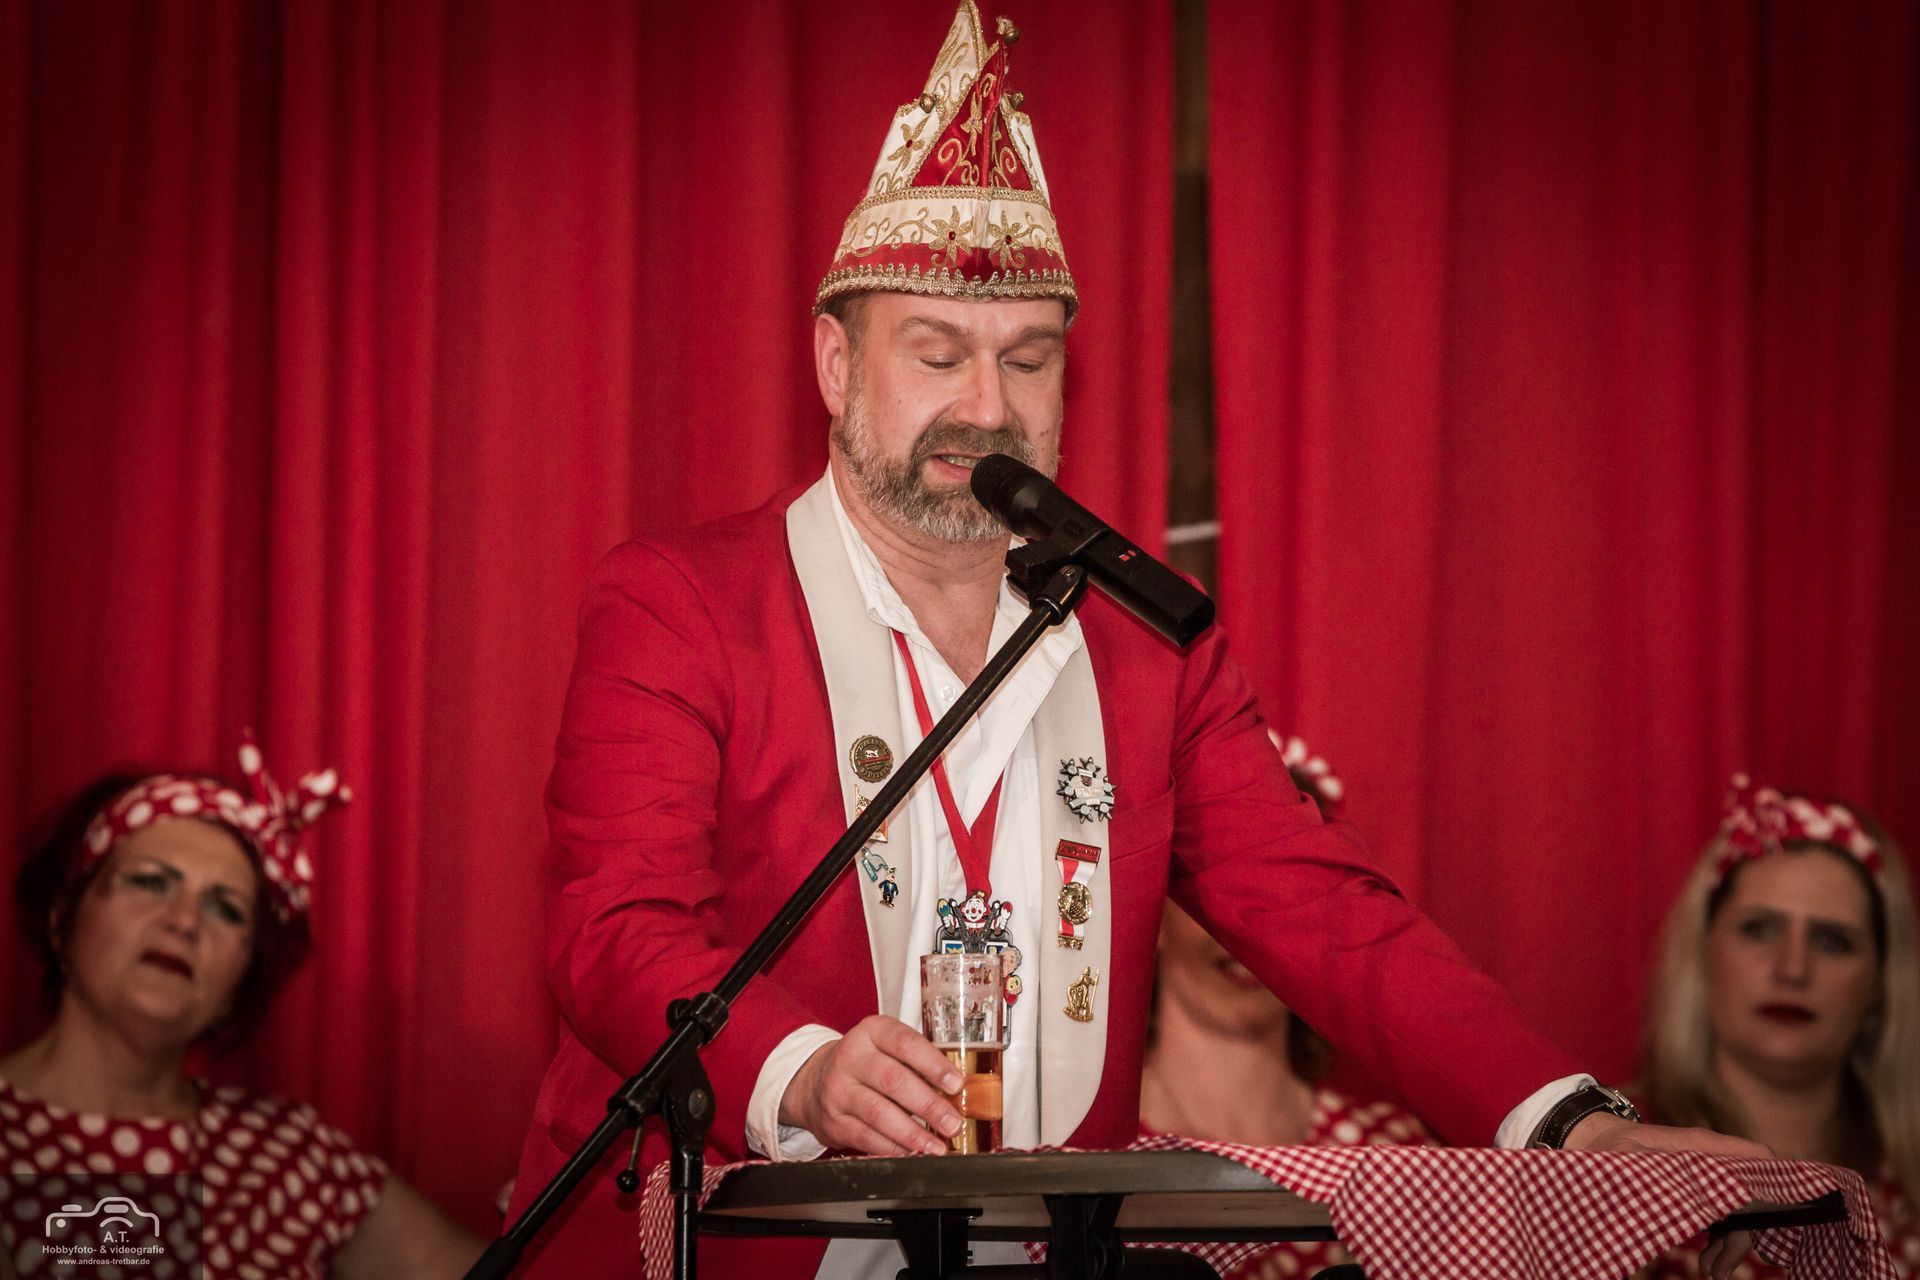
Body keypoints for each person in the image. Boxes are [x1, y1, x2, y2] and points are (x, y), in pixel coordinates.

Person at [506, 5, 1764, 1277]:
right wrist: (802, 1066)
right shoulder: (681, 602)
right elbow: (616, 927)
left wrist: (1567, 1121)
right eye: (937, 354)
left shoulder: (1142, 639)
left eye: (1029, 360)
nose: (989, 407)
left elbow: (1324, 909)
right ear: (835, 364)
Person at [0, 738, 483, 1280]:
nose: (185, 921)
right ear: (62, 920)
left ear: (239, 981)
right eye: (151, 881)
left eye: (225, 909)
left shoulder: (294, 1164)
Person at [1140, 736, 1433, 1280]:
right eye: (1220, 889)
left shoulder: (1396, 1155)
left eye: (1289, 896)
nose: (1253, 933)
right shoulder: (1089, 1146)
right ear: (1155, 910)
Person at [1638, 775, 1920, 1279]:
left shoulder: (1909, 1190)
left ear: (1881, 981)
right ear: (1703, 952)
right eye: (1760, 929)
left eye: (1832, 941)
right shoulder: (1614, 1162)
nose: (1793, 969)